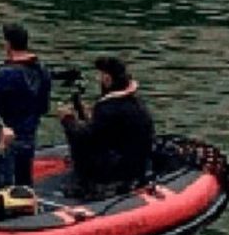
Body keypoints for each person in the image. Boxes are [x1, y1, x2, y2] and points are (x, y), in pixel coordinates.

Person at [58, 55, 156, 197]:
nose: (98, 80)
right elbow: (109, 132)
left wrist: (68, 120)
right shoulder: (134, 102)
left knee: (80, 145)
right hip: (138, 164)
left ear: (108, 79)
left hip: (116, 170)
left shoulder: (109, 109)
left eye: (100, 76)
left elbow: (86, 139)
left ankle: (84, 185)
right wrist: (88, 118)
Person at [0, 23, 52, 187]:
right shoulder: (42, 70)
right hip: (30, 132)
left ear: (8, 44)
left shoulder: (7, 73)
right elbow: (44, 106)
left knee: (1, 179)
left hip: (7, 132)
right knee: (24, 177)